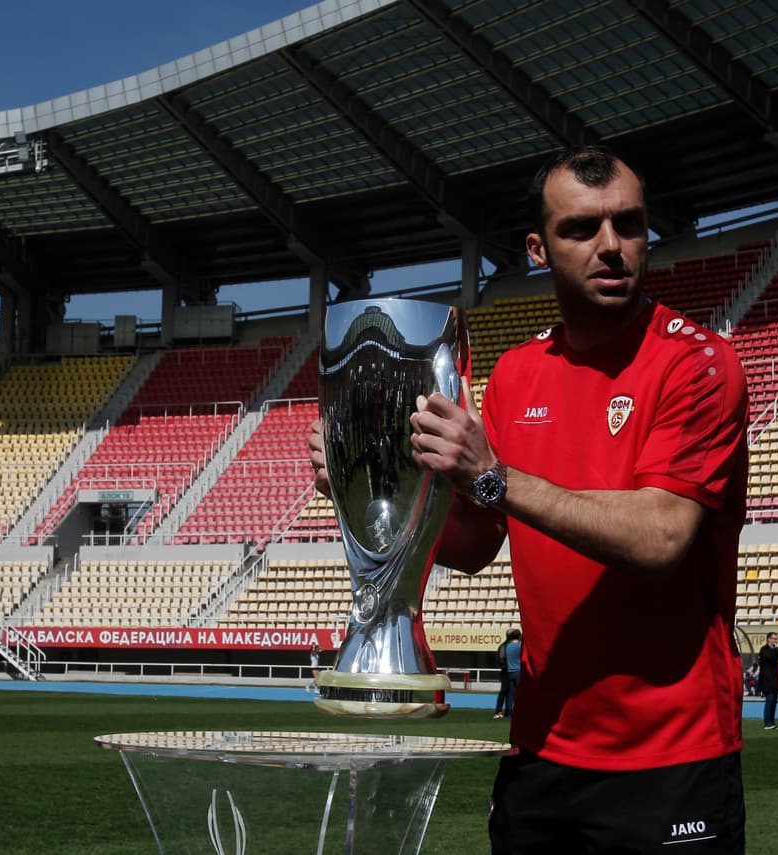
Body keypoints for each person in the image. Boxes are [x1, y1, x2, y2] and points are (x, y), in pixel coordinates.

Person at [311, 146, 749, 853]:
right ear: (538, 250)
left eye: (629, 225)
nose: (612, 247)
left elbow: (662, 538)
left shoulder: (697, 363)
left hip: (671, 757)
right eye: (582, 229)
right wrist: (371, 489)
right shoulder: (516, 375)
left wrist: (495, 477)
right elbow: (477, 542)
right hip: (541, 753)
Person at [757, 632, 778, 731]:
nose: (776, 640)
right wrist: (777, 649)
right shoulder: (764, 649)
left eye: (776, 638)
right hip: (767, 680)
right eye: (774, 638)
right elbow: (772, 659)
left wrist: (776, 649)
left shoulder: (773, 650)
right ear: (768, 639)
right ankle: (767, 722)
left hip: (774, 680)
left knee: (774, 702)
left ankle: (772, 721)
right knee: (769, 701)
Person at [493, 629, 513, 719]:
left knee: (507, 692)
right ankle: (500, 711)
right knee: (506, 692)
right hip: (507, 672)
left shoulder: (503, 646)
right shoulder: (504, 646)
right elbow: (501, 660)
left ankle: (503, 711)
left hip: (506, 671)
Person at [503, 628, 522, 718]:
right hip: (518, 671)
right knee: (520, 693)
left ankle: (509, 712)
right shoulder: (519, 646)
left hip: (510, 671)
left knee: (510, 694)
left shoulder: (508, 646)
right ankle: (519, 711)